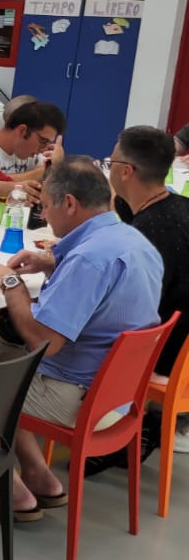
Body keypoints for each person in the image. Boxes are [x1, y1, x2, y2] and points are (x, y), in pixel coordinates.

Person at [0, 158, 163, 521]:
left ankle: (10, 492)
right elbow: (107, 289)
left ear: (69, 203)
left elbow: (44, 342)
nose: (44, 215)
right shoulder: (133, 240)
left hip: (79, 395)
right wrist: (53, 264)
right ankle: (40, 477)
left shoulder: (88, 259)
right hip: (120, 393)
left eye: (45, 206)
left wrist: (9, 281)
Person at [85, 127, 189, 474]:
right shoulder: (177, 207)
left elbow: (121, 308)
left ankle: (115, 428)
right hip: (184, 349)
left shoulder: (148, 234)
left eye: (110, 162)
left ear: (126, 170)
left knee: (65, 332)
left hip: (163, 352)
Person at [0, 99, 65, 181]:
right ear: (22, 130)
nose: (44, 149)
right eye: (43, 141)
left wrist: (58, 164)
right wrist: (49, 169)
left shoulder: (27, 152)